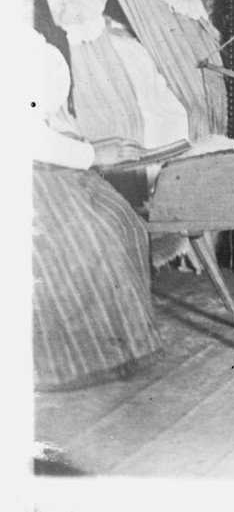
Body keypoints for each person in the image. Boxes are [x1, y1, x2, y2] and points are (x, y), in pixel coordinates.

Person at [29, 27, 164, 390]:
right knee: (85, 236)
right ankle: (70, 360)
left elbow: (41, 117)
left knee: (123, 221)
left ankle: (121, 346)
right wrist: (91, 154)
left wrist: (88, 145)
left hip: (44, 160)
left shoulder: (27, 35)